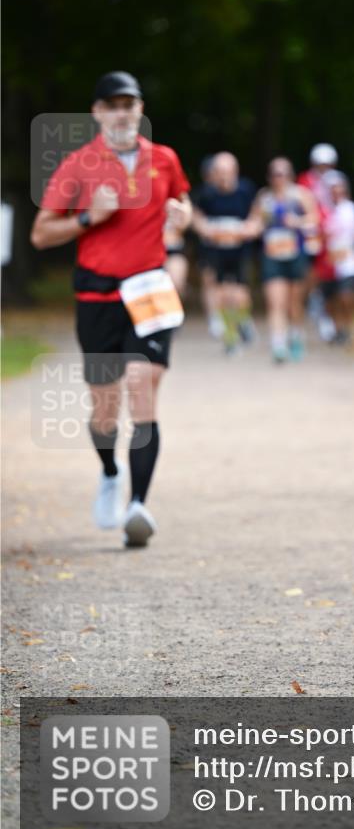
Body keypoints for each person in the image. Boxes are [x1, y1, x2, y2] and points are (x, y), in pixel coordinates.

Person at [30, 71, 192, 548]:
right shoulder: (77, 164)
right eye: (113, 105)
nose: (123, 113)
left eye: (130, 104)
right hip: (97, 297)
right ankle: (109, 471)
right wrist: (87, 217)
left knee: (143, 385)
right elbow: (41, 234)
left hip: (148, 291)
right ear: (98, 113)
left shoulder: (164, 159)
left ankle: (138, 506)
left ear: (140, 110)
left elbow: (182, 202)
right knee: (105, 408)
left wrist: (183, 215)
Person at [246, 157, 318, 363]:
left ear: (290, 175)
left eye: (283, 173)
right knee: (275, 302)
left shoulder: (301, 195)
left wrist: (297, 222)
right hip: (272, 255)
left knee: (294, 303)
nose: (279, 178)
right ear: (270, 177)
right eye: (275, 174)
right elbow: (254, 220)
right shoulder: (264, 198)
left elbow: (314, 219)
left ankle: (296, 337)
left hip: (296, 254)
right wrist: (251, 228)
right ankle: (278, 345)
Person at [192, 151, 256, 353]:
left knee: (240, 294)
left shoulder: (245, 190)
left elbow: (257, 214)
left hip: (239, 250)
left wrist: (249, 228)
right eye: (219, 171)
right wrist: (205, 228)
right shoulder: (207, 194)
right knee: (221, 293)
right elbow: (195, 215)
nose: (223, 176)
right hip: (215, 251)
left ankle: (243, 321)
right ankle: (229, 335)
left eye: (227, 171)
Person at [298, 143, 339, 342]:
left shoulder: (336, 180)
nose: (324, 168)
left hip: (333, 233)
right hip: (311, 233)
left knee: (330, 273)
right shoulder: (305, 180)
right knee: (311, 270)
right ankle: (315, 298)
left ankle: (325, 308)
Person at [319, 170, 354, 345]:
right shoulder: (322, 210)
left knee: (346, 296)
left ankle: (348, 327)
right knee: (330, 300)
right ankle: (337, 329)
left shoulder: (351, 209)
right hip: (329, 262)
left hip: (348, 261)